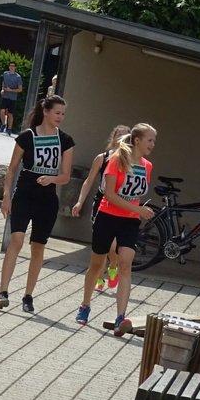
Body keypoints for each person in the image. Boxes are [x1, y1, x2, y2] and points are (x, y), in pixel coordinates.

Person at [75, 123, 157, 335]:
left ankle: (121, 317)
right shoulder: (116, 160)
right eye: (150, 140)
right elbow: (110, 195)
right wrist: (138, 209)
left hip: (129, 222)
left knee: (126, 265)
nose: (153, 144)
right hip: (107, 217)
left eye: (154, 141)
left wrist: (136, 211)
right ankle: (85, 305)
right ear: (137, 140)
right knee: (96, 265)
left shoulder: (147, 166)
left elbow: (136, 195)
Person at [0, 95, 75, 314]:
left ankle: (28, 295)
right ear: (46, 111)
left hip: (47, 199)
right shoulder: (27, 136)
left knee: (38, 246)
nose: (60, 117)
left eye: (63, 114)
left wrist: (52, 179)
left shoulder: (66, 140)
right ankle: (3, 292)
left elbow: (66, 176)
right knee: (16, 240)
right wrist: (6, 196)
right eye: (57, 112)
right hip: (24, 194)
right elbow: (12, 168)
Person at [71, 124, 131, 293]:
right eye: (119, 135)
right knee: (101, 244)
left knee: (113, 246)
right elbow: (89, 181)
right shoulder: (102, 158)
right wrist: (80, 202)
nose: (122, 139)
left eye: (126, 136)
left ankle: (113, 265)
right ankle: (99, 277)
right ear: (113, 137)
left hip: (120, 204)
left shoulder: (131, 161)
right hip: (102, 203)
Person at [0, 61, 24, 135]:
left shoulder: (18, 77)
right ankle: (3, 124)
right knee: (2, 111)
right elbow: (4, 82)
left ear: (15, 67)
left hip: (12, 98)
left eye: (13, 66)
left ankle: (9, 129)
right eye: (10, 66)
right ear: (9, 67)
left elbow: (20, 89)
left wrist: (11, 90)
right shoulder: (5, 74)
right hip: (5, 96)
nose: (12, 67)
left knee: (10, 114)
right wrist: (2, 89)